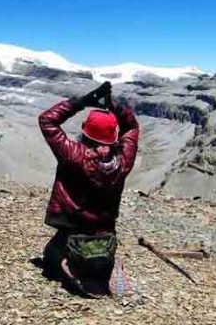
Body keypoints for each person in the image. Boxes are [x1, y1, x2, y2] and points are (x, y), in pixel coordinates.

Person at [38, 81, 139, 298]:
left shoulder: (73, 155)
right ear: (113, 136)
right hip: (105, 232)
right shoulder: (122, 161)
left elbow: (47, 120)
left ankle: (72, 266)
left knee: (50, 257)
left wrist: (81, 102)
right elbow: (131, 128)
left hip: (73, 229)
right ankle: (106, 264)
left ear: (85, 131)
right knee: (98, 249)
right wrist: (114, 107)